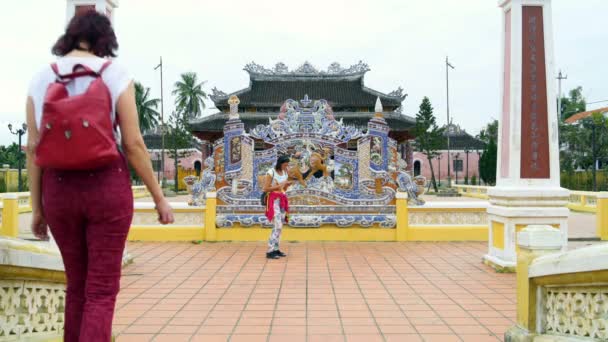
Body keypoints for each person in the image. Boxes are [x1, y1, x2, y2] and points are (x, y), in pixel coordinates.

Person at [25, 11, 174, 341]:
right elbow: (134, 144)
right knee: (102, 291)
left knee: (76, 286)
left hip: (59, 190)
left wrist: (38, 209)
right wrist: (159, 198)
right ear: (105, 40)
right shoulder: (115, 75)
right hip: (106, 187)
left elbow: (34, 151)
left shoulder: (40, 78)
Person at [263, 155, 292, 259]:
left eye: (287, 165)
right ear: (280, 163)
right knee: (277, 225)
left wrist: (286, 185)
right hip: (273, 200)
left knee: (280, 226)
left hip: (282, 200)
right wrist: (280, 185)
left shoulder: (285, 172)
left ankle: (276, 249)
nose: (286, 167)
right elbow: (265, 188)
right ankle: (270, 250)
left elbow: (283, 188)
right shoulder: (271, 172)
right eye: (285, 165)